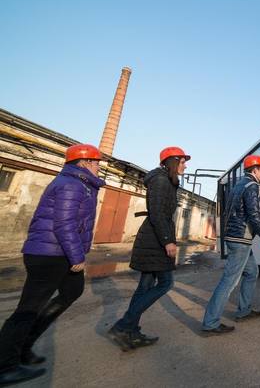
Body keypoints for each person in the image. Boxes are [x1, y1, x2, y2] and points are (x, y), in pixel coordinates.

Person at [0, 144, 105, 386]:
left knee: (72, 291)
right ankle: (5, 365)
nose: (99, 166)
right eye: (96, 162)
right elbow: (64, 224)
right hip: (49, 254)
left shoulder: (82, 185)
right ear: (84, 163)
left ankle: (24, 346)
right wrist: (77, 256)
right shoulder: (72, 184)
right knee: (28, 309)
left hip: (59, 252)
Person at [107, 146, 189, 351]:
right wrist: (168, 241)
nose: (185, 166)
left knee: (144, 287)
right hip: (155, 241)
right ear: (173, 162)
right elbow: (157, 214)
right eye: (182, 162)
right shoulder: (161, 181)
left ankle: (131, 332)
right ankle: (124, 324)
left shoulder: (166, 181)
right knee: (166, 283)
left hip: (155, 239)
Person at [202, 155, 260, 335]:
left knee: (252, 272)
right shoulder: (252, 185)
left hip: (234, 237)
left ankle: (244, 310)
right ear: (255, 170)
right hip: (241, 239)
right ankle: (210, 322)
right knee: (229, 280)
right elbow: (253, 213)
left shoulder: (238, 185)